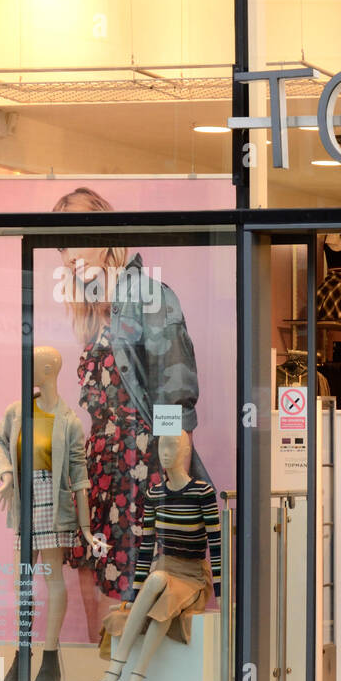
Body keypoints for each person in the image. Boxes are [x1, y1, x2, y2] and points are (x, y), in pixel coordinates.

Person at [52, 187, 210, 642]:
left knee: (136, 601)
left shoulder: (147, 297)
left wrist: (169, 479)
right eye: (61, 244)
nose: (68, 253)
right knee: (97, 602)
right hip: (99, 473)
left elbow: (173, 399)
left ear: (105, 234)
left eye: (77, 236)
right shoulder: (92, 312)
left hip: (140, 472)